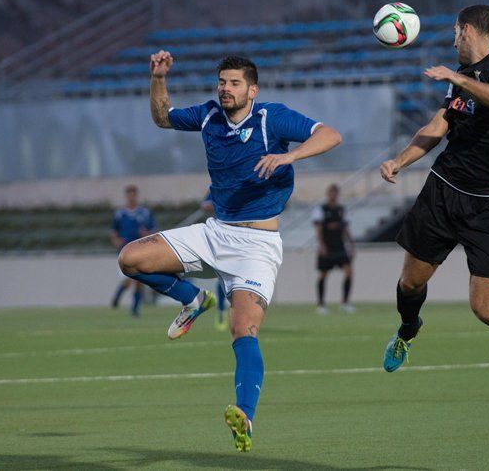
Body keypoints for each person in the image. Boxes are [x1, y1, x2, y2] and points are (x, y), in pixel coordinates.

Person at [118, 52, 341, 452]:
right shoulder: (207, 116)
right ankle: (193, 299)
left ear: (252, 90)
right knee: (130, 259)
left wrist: (288, 155)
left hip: (257, 246)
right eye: (222, 81)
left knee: (243, 330)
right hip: (214, 232)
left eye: (234, 83)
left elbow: (330, 135)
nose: (225, 88)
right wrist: (157, 78)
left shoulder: (272, 117)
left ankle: (245, 415)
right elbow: (162, 116)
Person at [378, 5, 489, 375]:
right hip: (445, 191)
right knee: (410, 283)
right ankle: (408, 329)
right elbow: (437, 126)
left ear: (467, 30)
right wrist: (399, 160)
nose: (453, 41)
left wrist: (458, 78)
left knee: (486, 310)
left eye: (454, 33)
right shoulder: (461, 76)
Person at [110, 185, 155, 316]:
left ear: (136, 195)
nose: (131, 197)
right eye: (129, 194)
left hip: (140, 251)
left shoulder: (145, 213)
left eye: (133, 194)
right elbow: (113, 231)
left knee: (140, 281)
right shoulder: (120, 214)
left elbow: (153, 231)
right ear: (126, 196)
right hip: (124, 251)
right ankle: (117, 297)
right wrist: (116, 241)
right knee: (127, 281)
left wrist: (146, 233)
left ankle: (135, 309)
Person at [312, 184, 355, 314]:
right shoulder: (320, 209)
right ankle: (321, 304)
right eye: (331, 192)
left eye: (335, 192)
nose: (333, 195)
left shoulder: (342, 210)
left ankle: (345, 302)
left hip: (340, 246)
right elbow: (318, 229)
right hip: (327, 246)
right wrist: (321, 245)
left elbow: (346, 229)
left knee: (349, 272)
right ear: (327, 194)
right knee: (323, 275)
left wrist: (352, 245)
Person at [201, 191, 229, 330]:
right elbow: (205, 205)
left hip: (245, 237)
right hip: (222, 237)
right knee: (222, 276)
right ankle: (221, 312)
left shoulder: (245, 181)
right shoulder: (219, 185)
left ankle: (246, 314)